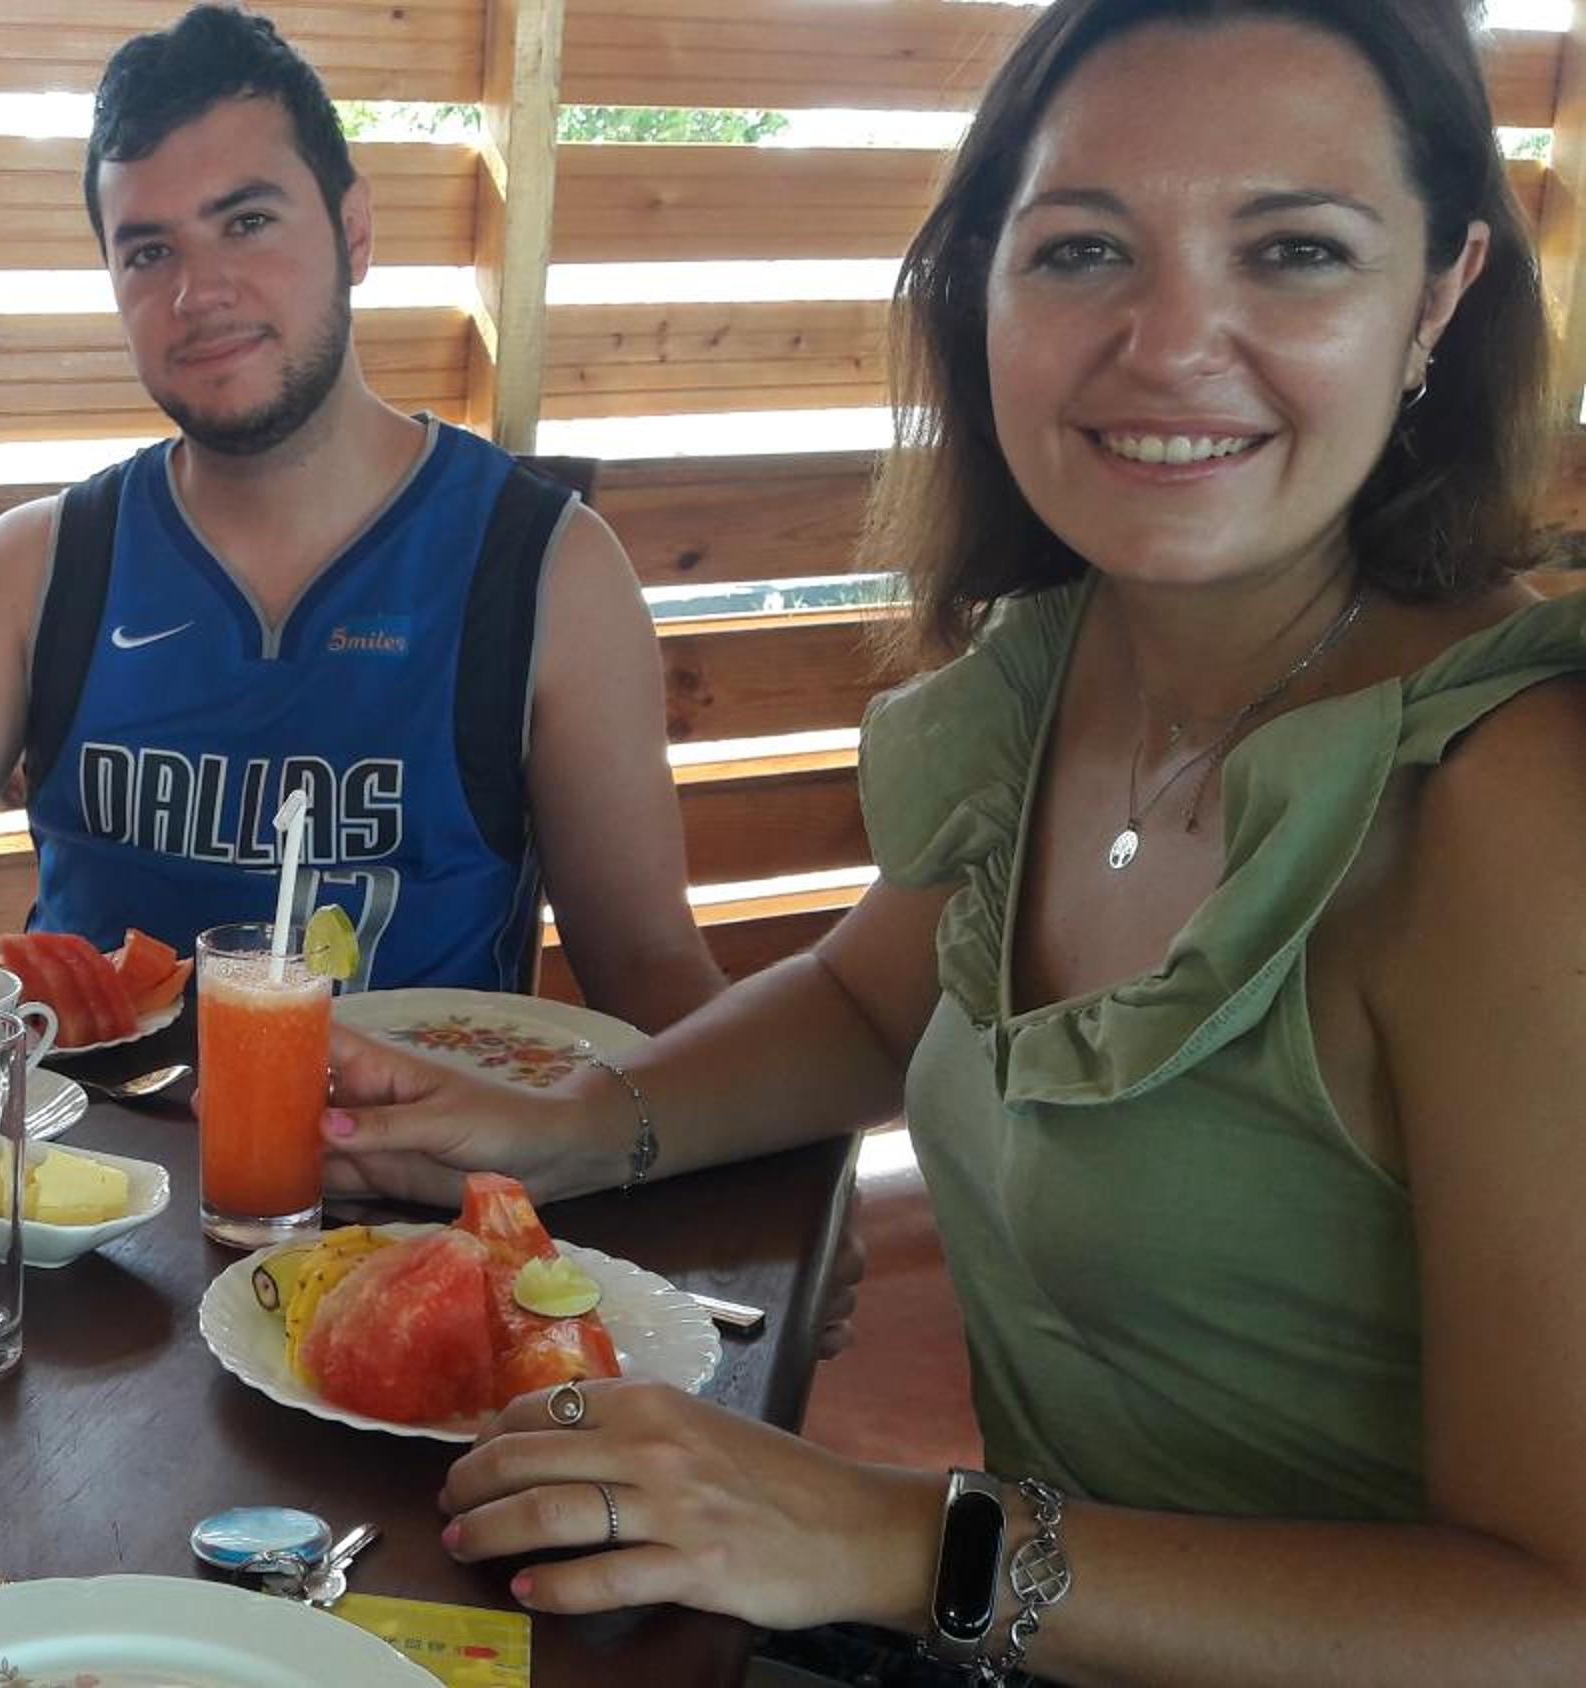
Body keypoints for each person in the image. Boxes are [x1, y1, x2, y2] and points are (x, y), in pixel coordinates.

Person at [317, 1, 1586, 1680]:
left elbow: (1556, 1611)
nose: (1169, 342)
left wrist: (898, 1535)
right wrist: (559, 1132)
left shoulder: (1517, 804)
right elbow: (870, 1001)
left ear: (1440, 295)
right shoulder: (1058, 664)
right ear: (983, 289)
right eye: (1084, 250)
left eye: (1294, 250)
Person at [0, 4, 724, 1027]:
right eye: (149, 251)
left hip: (413, 1171)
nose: (199, 291)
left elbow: (648, 963)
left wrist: (776, 1109)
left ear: (353, 230)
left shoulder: (547, 568)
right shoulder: (39, 565)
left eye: (247, 222)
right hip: (69, 1167)